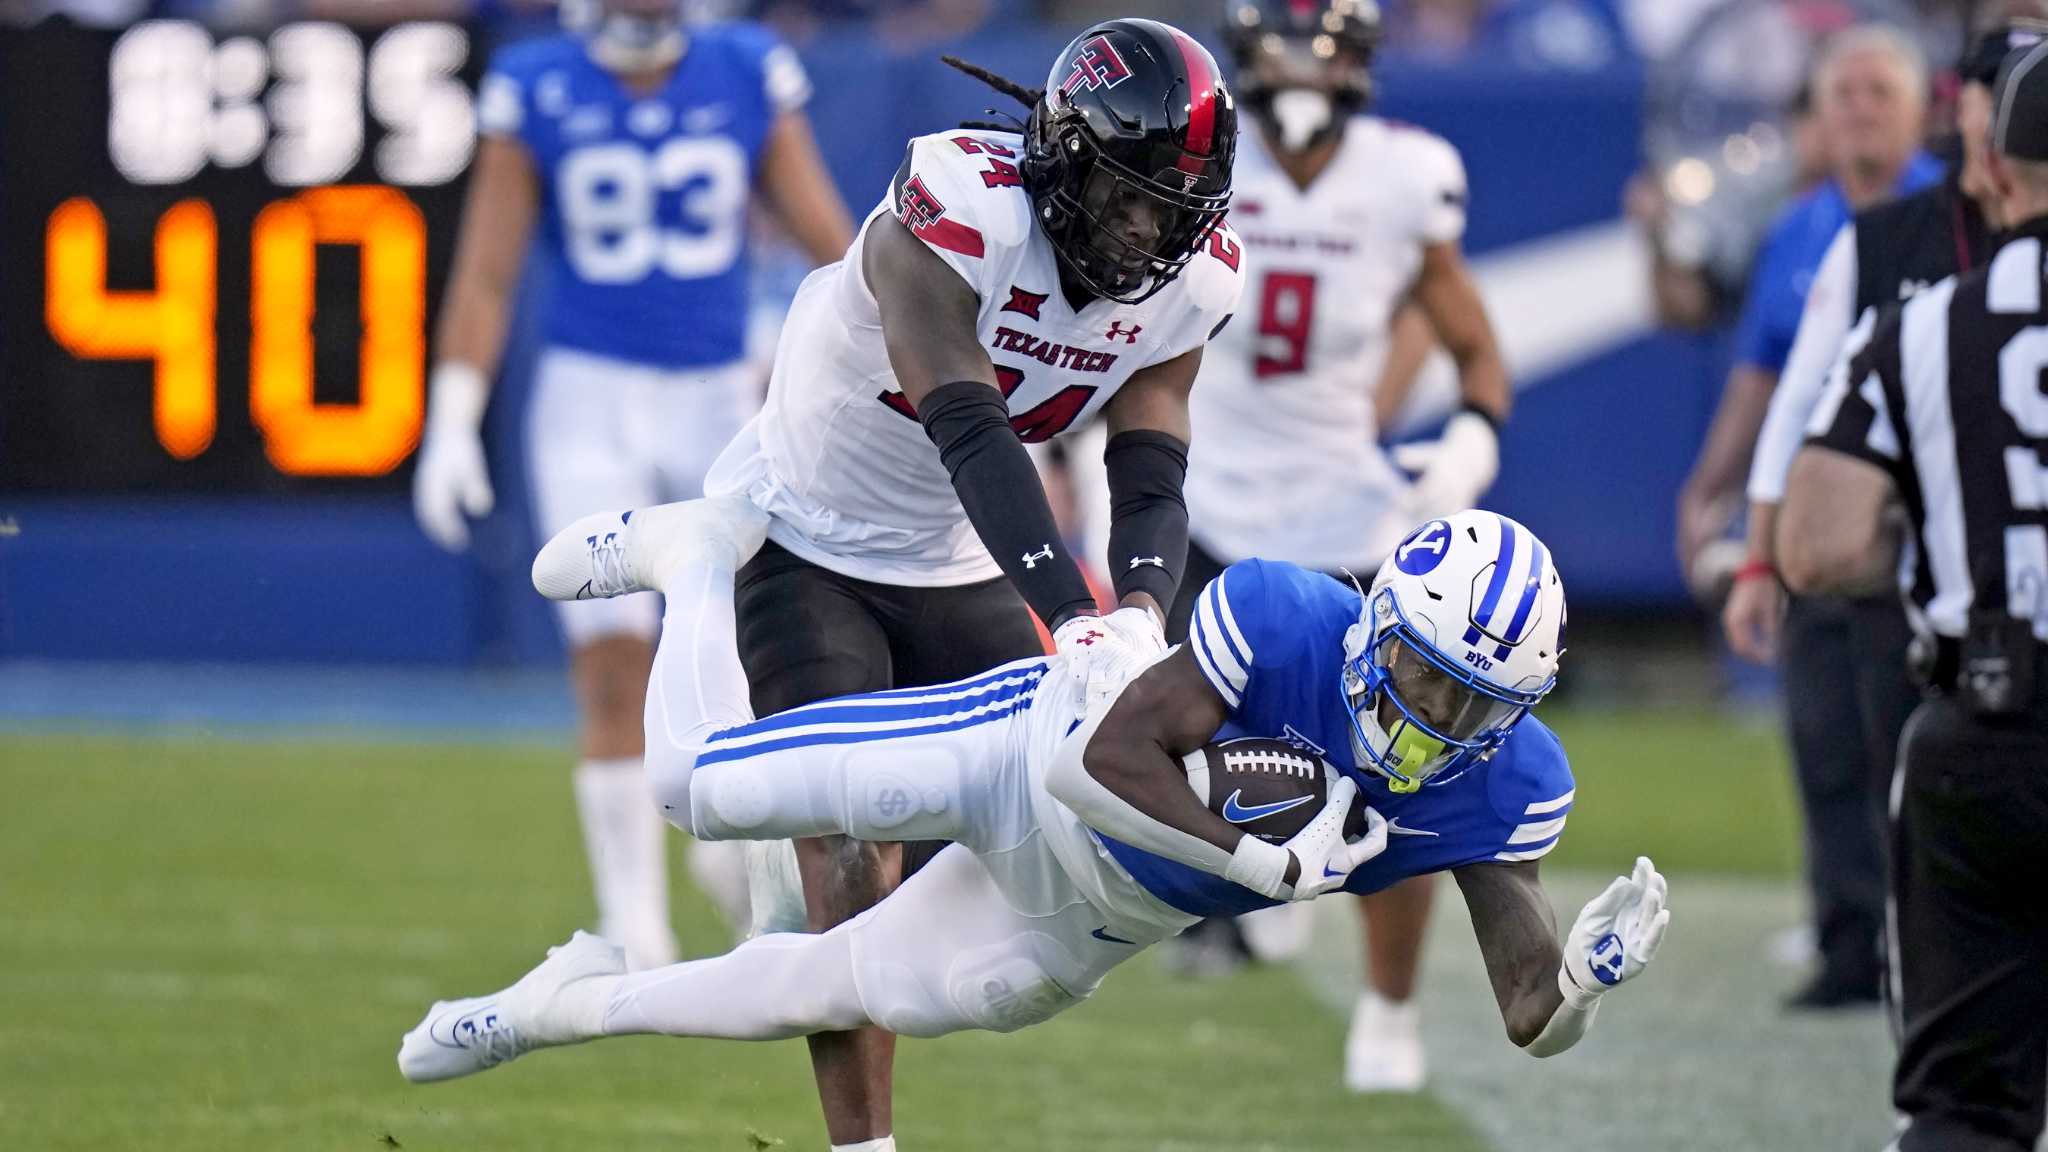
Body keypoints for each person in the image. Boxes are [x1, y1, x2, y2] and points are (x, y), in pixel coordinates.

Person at [517, 21, 1244, 1152]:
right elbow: (968, 424)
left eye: (1173, 205)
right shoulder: (954, 209)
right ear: (1058, 154)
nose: (1146, 231)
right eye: (1125, 193)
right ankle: (863, 1145)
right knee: (848, 864)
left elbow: (1150, 461)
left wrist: (1141, 614)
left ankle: (775, 897)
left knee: (1057, 836)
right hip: (805, 534)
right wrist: (1069, 615)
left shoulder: (1188, 285)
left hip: (961, 563)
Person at [399, 503, 1671, 1100]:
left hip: (1098, 920)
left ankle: (564, 1004)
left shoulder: (1503, 785)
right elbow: (1095, 767)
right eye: (1420, 680)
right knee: (695, 788)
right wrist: (1257, 861)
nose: (1435, 723)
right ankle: (691, 564)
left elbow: (1523, 1013)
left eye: (1470, 707)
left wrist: (1583, 987)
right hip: (1028, 751)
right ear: (1376, 626)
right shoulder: (1285, 613)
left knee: (818, 984)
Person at [409, 0, 853, 969]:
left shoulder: (746, 69)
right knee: (610, 664)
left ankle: (740, 867)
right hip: (587, 403)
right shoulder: (535, 84)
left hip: (718, 401)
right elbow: (485, 274)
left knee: (742, 662)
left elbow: (836, 251)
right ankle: (634, 925)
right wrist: (450, 413)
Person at [1159, 0, 1512, 1094]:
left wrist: (1460, 453)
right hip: (1205, 500)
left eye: (1325, 44)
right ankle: (1258, 895)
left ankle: (1388, 1009)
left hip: (1346, 517)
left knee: (1399, 771)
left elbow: (1472, 342)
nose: (1305, 67)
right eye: (1286, 42)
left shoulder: (1403, 176)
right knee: (1169, 752)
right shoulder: (1196, 157)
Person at [1723, 14, 2048, 1011]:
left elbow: (1822, 531)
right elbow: (1779, 394)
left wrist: (1778, 549)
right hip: (1954, 605)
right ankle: (1861, 938)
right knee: (1855, 748)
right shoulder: (1870, 245)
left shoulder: (1918, 320)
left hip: (1960, 631)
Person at [1673, 21, 1938, 1010]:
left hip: (1920, 523)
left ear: (1919, 109)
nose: (1860, 109)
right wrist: (1713, 488)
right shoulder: (1800, 226)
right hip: (1816, 523)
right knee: (1822, 732)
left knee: (1912, 739)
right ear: (1818, 116)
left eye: (1877, 91)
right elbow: (1763, 377)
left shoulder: (1951, 213)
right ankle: (1846, 940)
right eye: (1844, 94)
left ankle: (1925, 938)